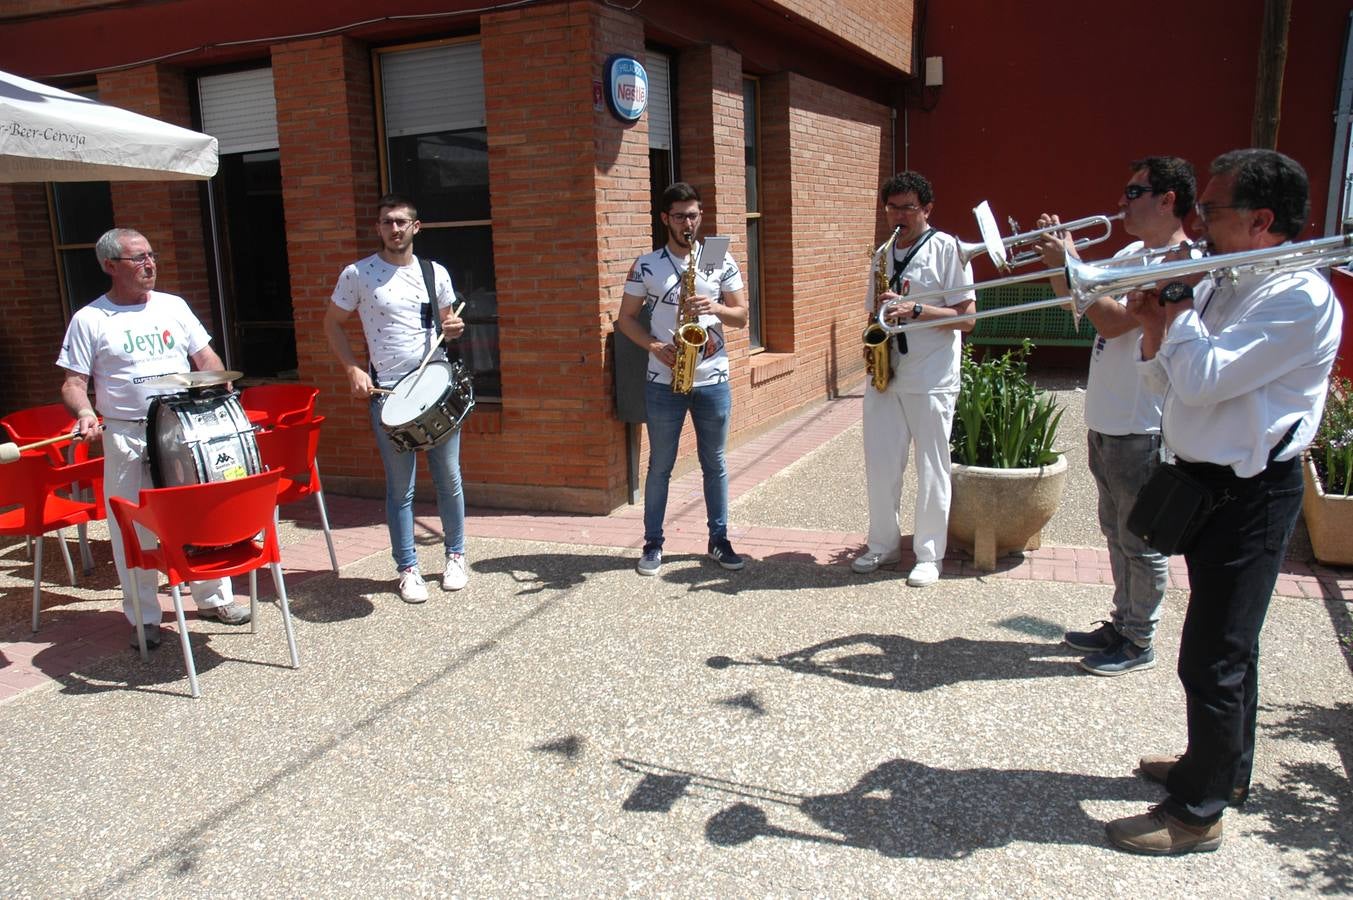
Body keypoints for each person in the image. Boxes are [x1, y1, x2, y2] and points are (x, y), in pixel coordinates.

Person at [1104, 149, 1343, 854]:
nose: (1198, 220)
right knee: (1225, 645)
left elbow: (1203, 381)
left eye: (1211, 209)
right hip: (1202, 480)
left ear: (1261, 220)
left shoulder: (1294, 295)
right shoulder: (1222, 282)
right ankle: (1220, 768)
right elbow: (1168, 387)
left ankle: (1196, 812)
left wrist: (1172, 309)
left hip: (1251, 493)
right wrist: (1154, 328)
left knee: (1212, 654)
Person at [1035, 157, 1196, 676]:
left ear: (1168, 199)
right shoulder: (1132, 251)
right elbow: (1074, 306)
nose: (1123, 201)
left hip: (1140, 424)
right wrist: (1066, 268)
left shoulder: (1179, 261)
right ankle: (1123, 621)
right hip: (1107, 418)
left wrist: (1073, 264)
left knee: (1141, 541)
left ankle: (1139, 640)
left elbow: (1113, 319)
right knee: (1114, 531)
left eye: (1135, 192)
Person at [57, 228, 250, 649]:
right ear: (110, 266)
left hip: (182, 430)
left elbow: (206, 359)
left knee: (198, 516)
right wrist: (86, 412)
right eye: (137, 258)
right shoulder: (90, 319)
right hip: (126, 434)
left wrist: (218, 385)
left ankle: (215, 598)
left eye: (151, 255)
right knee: (132, 528)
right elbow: (73, 383)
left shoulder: (173, 306)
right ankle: (144, 617)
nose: (149, 265)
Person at [325, 193, 468, 603]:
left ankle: (455, 555)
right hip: (387, 394)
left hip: (434, 392)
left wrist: (454, 327)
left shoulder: (433, 272)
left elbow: (447, 323)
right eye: (387, 222)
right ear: (378, 228)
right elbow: (332, 323)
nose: (395, 229)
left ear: (415, 227)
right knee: (400, 488)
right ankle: (408, 569)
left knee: (449, 478)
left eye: (402, 222)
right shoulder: (357, 274)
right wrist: (351, 367)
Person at [616, 182, 749, 576]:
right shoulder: (647, 263)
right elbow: (624, 319)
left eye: (693, 215)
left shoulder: (717, 257)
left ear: (700, 216)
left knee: (716, 463)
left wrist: (715, 306)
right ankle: (653, 543)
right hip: (663, 378)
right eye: (679, 216)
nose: (687, 222)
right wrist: (654, 346)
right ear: (664, 219)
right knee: (660, 465)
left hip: (713, 377)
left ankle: (719, 540)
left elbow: (742, 316)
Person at [851, 171, 975, 587]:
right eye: (892, 207)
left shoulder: (948, 249)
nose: (898, 216)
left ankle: (928, 555)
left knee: (932, 466)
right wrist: (874, 340)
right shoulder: (882, 254)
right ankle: (882, 546)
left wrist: (917, 311)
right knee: (881, 465)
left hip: (931, 375)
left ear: (927, 209)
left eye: (907, 207)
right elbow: (875, 312)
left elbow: (968, 317)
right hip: (887, 373)